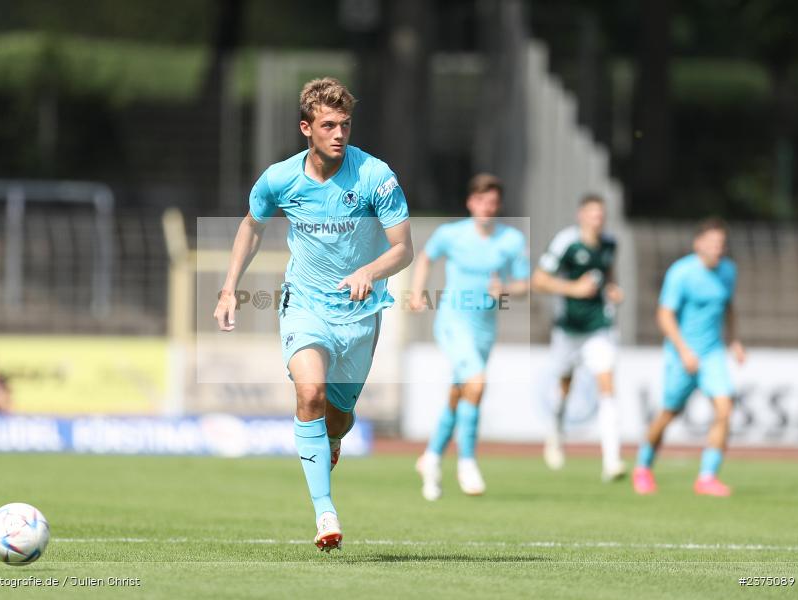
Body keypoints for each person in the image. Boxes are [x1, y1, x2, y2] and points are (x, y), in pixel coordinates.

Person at [213, 77, 412, 551]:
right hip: (304, 303)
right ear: (307, 128)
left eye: (344, 124)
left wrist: (370, 269)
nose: (339, 133)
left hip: (360, 313)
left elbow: (403, 249)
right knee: (310, 393)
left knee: (337, 419)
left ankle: (333, 441)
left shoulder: (375, 175)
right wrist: (227, 289)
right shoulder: (280, 178)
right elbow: (252, 226)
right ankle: (325, 513)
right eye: (328, 125)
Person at [409, 174, 529, 500]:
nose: (486, 208)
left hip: (484, 329)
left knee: (462, 392)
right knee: (477, 382)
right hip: (452, 321)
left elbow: (524, 284)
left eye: (492, 203)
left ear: (498, 205)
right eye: (481, 201)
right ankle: (467, 461)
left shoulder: (511, 240)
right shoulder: (451, 234)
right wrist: (417, 293)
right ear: (470, 202)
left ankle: (431, 456)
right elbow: (426, 258)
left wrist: (506, 289)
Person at [633, 218, 745, 497]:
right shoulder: (681, 273)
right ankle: (643, 467)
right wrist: (683, 350)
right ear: (698, 244)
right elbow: (664, 314)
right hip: (682, 354)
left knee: (724, 408)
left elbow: (728, 307)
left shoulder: (728, 271)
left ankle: (707, 477)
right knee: (669, 413)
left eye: (721, 244)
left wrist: (734, 341)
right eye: (711, 243)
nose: (717, 249)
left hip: (712, 354)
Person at [532, 194, 627, 482]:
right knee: (564, 385)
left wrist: (612, 289)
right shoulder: (566, 242)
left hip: (600, 328)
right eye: (592, 214)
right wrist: (573, 288)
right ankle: (556, 433)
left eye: (601, 215)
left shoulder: (610, 243)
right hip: (568, 328)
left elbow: (609, 275)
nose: (597, 220)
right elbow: (539, 280)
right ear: (581, 215)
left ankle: (612, 460)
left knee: (608, 387)